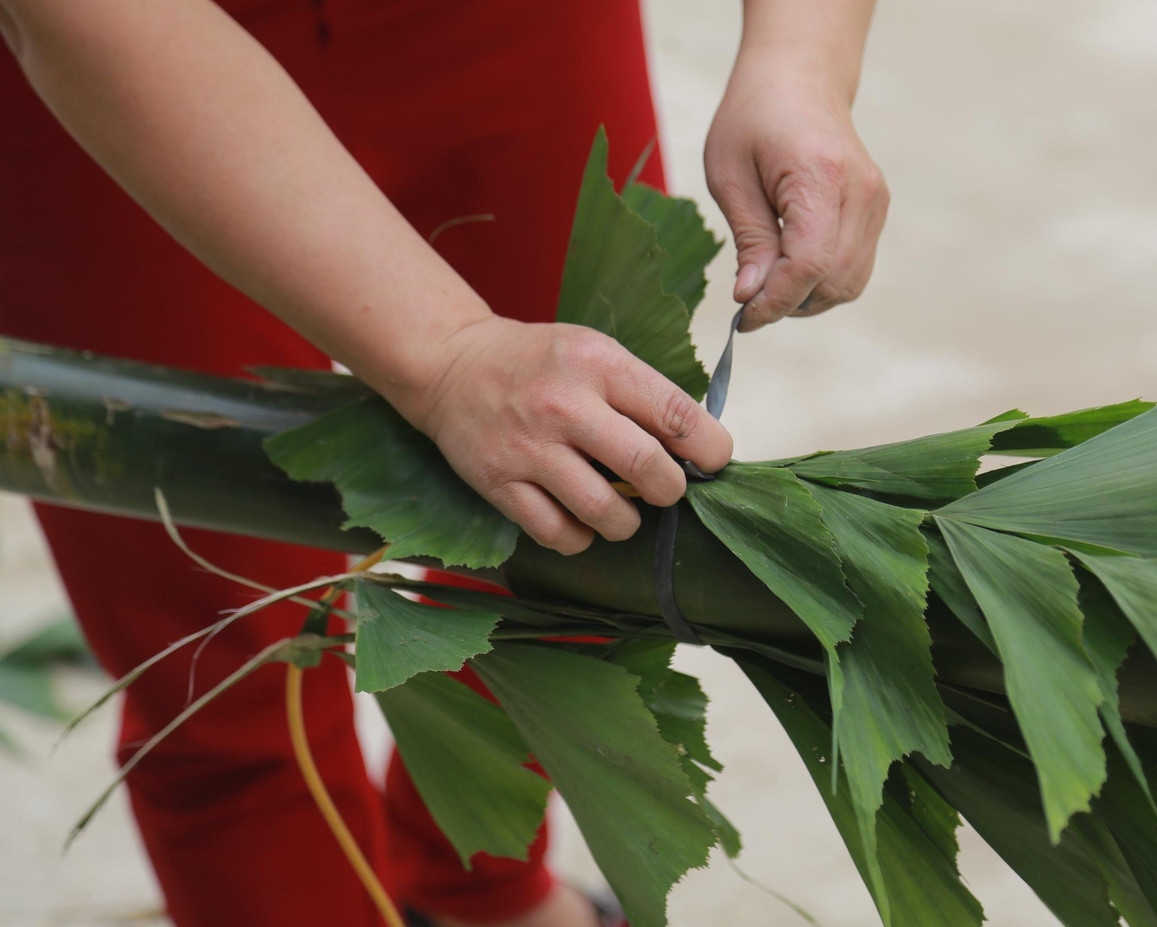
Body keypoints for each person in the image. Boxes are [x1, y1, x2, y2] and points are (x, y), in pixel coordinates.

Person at [0, 1, 889, 925]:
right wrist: (449, 355)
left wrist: (800, 61)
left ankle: (478, 884)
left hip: (508, 24)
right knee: (223, 662)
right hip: (126, 51)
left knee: (594, 510)